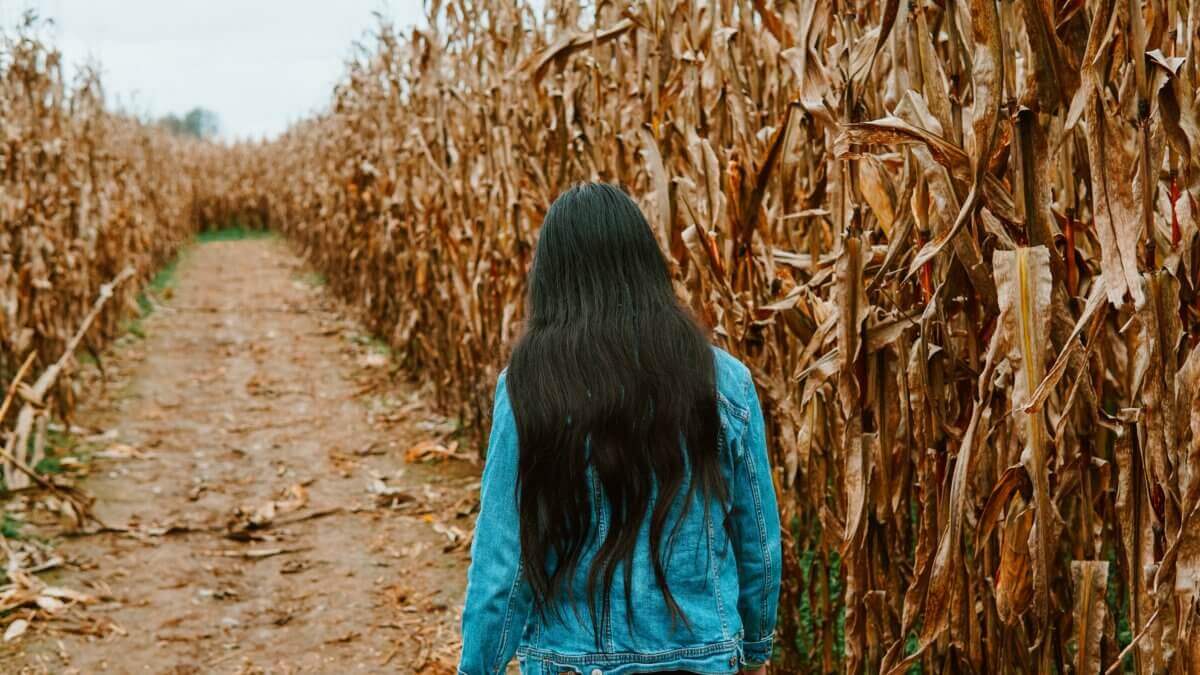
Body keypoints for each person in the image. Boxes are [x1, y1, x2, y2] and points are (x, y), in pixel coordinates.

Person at [457, 183, 781, 675]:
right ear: (646, 268)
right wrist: (756, 651)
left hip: (571, 663)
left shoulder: (527, 387)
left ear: (552, 278)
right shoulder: (725, 381)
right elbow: (757, 538)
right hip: (703, 660)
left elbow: (504, 561)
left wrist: (477, 668)